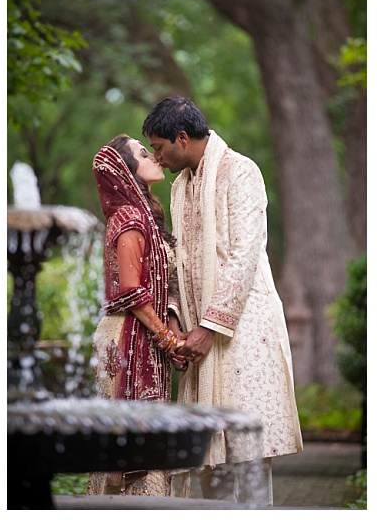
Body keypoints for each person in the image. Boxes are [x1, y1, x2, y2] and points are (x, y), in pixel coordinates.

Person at [143, 97, 302, 505]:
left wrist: (210, 326)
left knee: (246, 455)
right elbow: (179, 259)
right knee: (207, 456)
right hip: (200, 337)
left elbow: (244, 256)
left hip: (241, 332)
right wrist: (177, 320)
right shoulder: (181, 187)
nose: (157, 158)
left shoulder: (240, 171)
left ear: (182, 137)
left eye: (159, 147)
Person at [86, 135, 190, 496]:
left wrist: (172, 331)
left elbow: (166, 282)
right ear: (126, 171)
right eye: (144, 154)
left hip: (146, 333)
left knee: (146, 441)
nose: (154, 157)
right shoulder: (129, 218)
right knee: (128, 443)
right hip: (129, 337)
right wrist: (166, 339)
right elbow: (131, 290)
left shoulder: (147, 214)